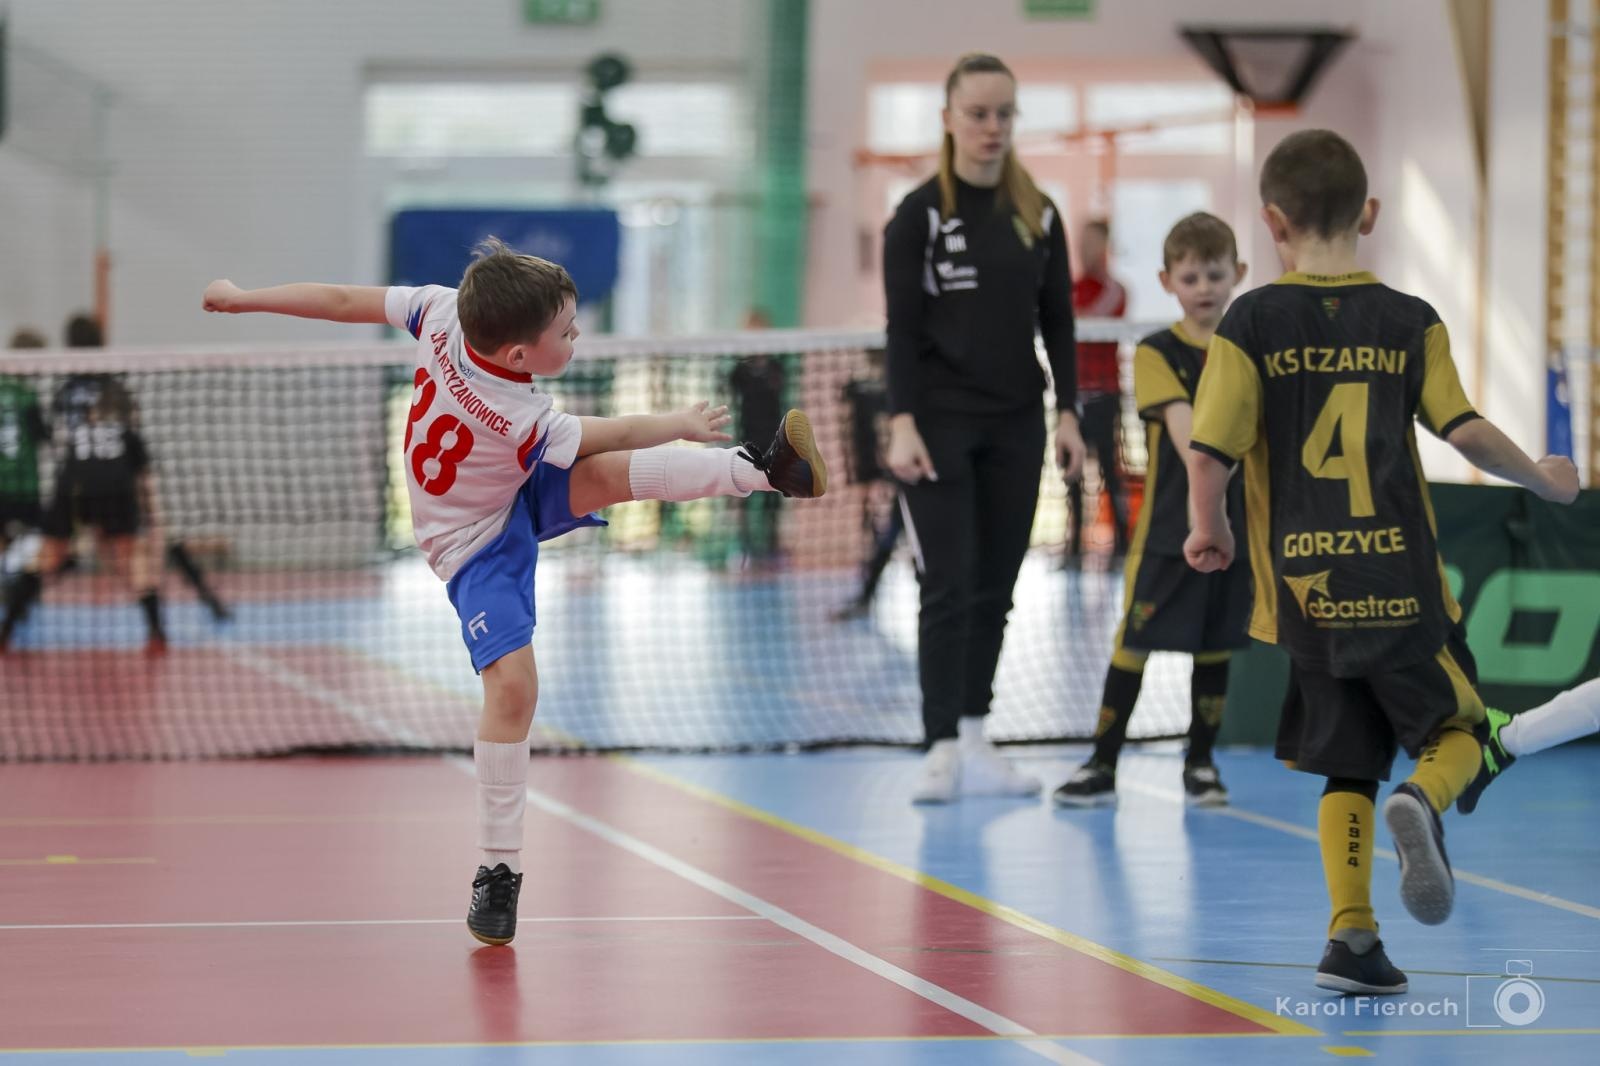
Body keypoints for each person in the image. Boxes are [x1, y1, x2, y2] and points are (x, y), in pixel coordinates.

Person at [202, 238, 827, 945]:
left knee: (610, 477)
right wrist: (679, 425)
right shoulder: (518, 415)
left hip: (507, 480)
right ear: (520, 355)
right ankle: (498, 868)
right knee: (513, 688)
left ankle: (767, 470)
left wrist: (246, 298)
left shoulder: (443, 310)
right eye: (566, 330)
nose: (577, 334)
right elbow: (616, 428)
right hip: (471, 540)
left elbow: (344, 300)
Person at [1183, 129, 1579, 996]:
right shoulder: (1409, 319)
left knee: (1348, 763)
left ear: (1272, 222)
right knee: (1468, 732)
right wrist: (1545, 481)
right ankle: (1426, 800)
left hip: (1305, 588)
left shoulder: (1249, 321)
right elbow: (1463, 429)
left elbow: (1209, 450)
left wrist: (1207, 529)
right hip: (1399, 578)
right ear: (1369, 214)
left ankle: (1352, 938)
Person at [882, 53, 1086, 804]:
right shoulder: (918, 215)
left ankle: (974, 733)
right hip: (937, 424)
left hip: (1017, 423)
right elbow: (902, 329)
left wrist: (1068, 412)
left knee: (997, 587)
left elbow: (1058, 321)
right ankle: (939, 744)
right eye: (977, 114)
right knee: (948, 585)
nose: (992, 127)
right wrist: (902, 420)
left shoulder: (1040, 214)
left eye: (1004, 113)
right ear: (949, 119)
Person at [1053, 212, 1250, 809]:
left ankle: (1201, 764)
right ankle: (1102, 763)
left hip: (1238, 527)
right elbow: (1195, 444)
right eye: (1190, 278)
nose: (1204, 288)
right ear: (1168, 282)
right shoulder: (1156, 351)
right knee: (1134, 640)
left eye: (1215, 275)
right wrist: (1207, 511)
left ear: (1238, 274)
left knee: (1214, 645)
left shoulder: (1251, 351)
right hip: (1169, 530)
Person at [0, 314, 167, 654]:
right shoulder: (116, 388)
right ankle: (156, 632)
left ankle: (5, 632)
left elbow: (60, 439)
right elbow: (134, 444)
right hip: (116, 480)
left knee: (47, 557)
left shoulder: (65, 391)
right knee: (131, 559)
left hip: (74, 478)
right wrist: (156, 516)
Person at [1067, 218, 1131, 564]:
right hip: (1073, 398)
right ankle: (1074, 548)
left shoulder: (1114, 289)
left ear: (1104, 245)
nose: (1084, 249)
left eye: (1092, 242)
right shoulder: (1071, 287)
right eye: (1082, 241)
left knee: (1110, 470)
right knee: (1072, 474)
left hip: (1105, 396)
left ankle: (1122, 544)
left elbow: (1084, 320)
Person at [727, 309, 786, 570]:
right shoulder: (739, 372)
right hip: (747, 441)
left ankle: (772, 546)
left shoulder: (777, 368)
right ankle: (744, 547)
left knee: (773, 497)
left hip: (774, 441)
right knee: (742, 493)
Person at [1, 329, 48, 565]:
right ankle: (14, 572)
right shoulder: (28, 396)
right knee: (35, 533)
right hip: (25, 484)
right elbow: (42, 435)